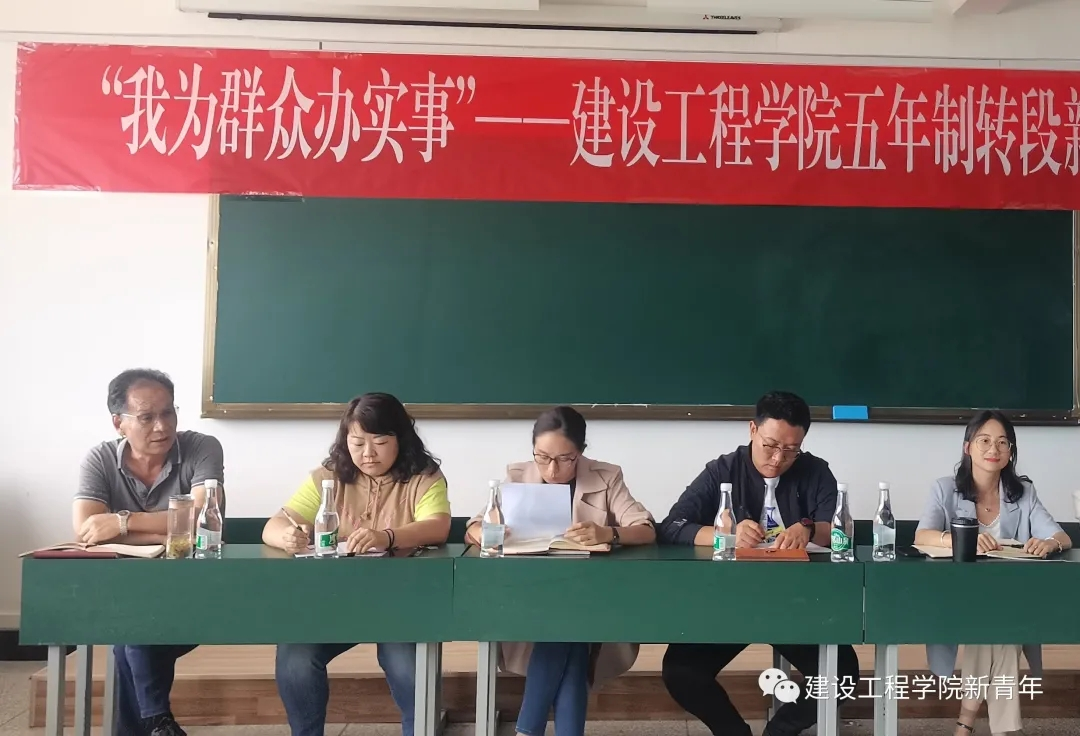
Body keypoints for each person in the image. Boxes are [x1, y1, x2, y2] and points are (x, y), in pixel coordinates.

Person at [656, 390, 859, 736]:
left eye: (791, 449)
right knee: (681, 671)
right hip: (729, 602)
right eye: (770, 445)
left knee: (843, 675)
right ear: (752, 429)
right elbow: (672, 526)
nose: (778, 458)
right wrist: (725, 535)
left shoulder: (815, 471)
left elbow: (837, 528)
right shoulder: (723, 470)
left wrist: (809, 528)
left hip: (797, 604)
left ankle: (779, 731)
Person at [262, 392, 451, 736]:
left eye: (380, 442)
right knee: (295, 659)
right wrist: (287, 537)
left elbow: (437, 526)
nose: (368, 453)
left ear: (401, 438)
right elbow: (273, 525)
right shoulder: (328, 477)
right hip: (333, 603)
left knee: (408, 668)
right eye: (357, 442)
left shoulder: (424, 477)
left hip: (401, 606)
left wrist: (387, 536)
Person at [464, 405, 655, 736]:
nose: (552, 469)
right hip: (530, 596)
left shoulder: (607, 476)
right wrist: (485, 532)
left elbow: (646, 529)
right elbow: (473, 527)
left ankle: (528, 729)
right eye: (543, 457)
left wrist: (609, 533)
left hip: (593, 594)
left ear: (580, 451)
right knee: (571, 632)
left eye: (565, 459)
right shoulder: (517, 476)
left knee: (568, 624)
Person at [74, 368, 225, 736]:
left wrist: (122, 523)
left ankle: (156, 721)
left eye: (168, 412)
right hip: (123, 594)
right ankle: (159, 723)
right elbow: (88, 531)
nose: (162, 426)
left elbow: (202, 521)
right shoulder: (100, 459)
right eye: (146, 417)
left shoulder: (203, 447)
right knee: (134, 629)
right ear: (119, 423)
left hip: (194, 594)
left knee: (132, 634)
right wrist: (171, 528)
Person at [914, 409, 1071, 736]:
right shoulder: (945, 489)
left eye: (1002, 442)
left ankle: (965, 724)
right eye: (984, 440)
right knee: (999, 628)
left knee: (996, 625)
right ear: (967, 447)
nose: (993, 449)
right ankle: (1003, 730)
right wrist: (961, 539)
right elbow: (922, 536)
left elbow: (1061, 537)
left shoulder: (1023, 493)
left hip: (1008, 596)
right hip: (958, 595)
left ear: (1010, 452)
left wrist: (1049, 544)